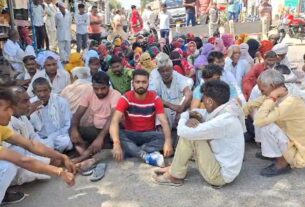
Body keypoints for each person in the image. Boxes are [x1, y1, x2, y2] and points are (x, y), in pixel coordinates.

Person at [152, 80, 244, 187]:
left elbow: (182, 131)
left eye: (203, 100)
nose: (203, 103)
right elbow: (199, 113)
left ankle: (175, 175)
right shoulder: (227, 109)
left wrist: (186, 117)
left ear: (210, 101)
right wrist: (189, 115)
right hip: (225, 169)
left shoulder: (223, 121)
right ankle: (175, 169)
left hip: (219, 176)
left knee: (190, 136)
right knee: (193, 130)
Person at [0, 88, 75, 205]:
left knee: (18, 152)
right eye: (6, 109)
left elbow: (31, 144)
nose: (11, 112)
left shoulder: (2, 128)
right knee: (8, 167)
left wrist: (62, 157)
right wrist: (59, 172)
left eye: (11, 107)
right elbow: (23, 161)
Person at [244, 70, 305, 176]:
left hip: (298, 146)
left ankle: (282, 163)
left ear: (272, 86)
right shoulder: (282, 91)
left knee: (265, 125)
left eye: (262, 90)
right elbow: (252, 104)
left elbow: (259, 121)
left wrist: (271, 97)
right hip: (288, 136)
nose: (262, 93)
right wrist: (239, 112)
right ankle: (273, 153)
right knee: (260, 110)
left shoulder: (290, 101)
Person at [110, 69, 173, 167]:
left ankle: (133, 150)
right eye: (137, 82)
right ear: (133, 83)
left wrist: (168, 142)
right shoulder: (126, 98)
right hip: (131, 134)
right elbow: (114, 121)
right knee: (116, 134)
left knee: (165, 137)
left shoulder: (155, 98)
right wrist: (116, 144)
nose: (141, 85)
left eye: (144, 82)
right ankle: (145, 156)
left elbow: (164, 121)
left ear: (148, 83)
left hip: (148, 134)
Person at [70, 72, 121, 168]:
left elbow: (112, 119)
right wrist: (74, 129)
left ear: (108, 86)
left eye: (103, 88)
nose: (99, 92)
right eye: (96, 88)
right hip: (95, 130)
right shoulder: (89, 93)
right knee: (71, 131)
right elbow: (77, 114)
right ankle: (87, 150)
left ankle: (83, 156)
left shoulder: (115, 95)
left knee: (111, 144)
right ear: (92, 86)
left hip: (111, 131)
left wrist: (100, 138)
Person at [8, 86, 53, 185]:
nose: (29, 104)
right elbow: (18, 155)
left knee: (51, 150)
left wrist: (46, 152)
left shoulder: (22, 118)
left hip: (28, 155)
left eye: (28, 100)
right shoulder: (5, 123)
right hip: (17, 163)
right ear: (11, 105)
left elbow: (33, 137)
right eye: (25, 101)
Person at [149, 53, 193, 128]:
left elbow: (188, 93)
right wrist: (172, 106)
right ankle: (166, 138)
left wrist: (181, 108)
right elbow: (153, 95)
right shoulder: (155, 76)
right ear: (159, 71)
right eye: (163, 71)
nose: (165, 73)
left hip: (178, 108)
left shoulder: (177, 76)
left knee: (186, 115)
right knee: (159, 117)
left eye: (168, 70)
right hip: (164, 110)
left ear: (172, 69)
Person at [29, 78, 73, 152]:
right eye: (39, 91)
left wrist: (52, 138)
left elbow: (67, 123)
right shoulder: (30, 104)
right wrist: (30, 112)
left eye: (45, 90)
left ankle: (52, 154)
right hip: (40, 137)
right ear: (34, 92)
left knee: (65, 142)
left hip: (58, 135)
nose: (42, 94)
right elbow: (28, 126)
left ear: (50, 89)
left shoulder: (60, 101)